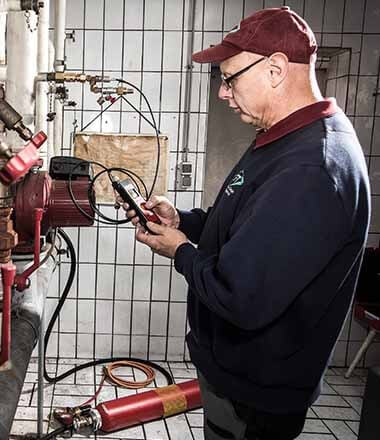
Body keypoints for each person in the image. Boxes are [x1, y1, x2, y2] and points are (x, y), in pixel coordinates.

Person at [121, 7, 370, 440]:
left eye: (230, 77)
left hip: (257, 394)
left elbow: (243, 298)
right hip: (233, 375)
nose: (222, 92)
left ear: (275, 69)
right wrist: (185, 220)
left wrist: (179, 250)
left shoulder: (313, 166)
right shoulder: (279, 139)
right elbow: (244, 228)